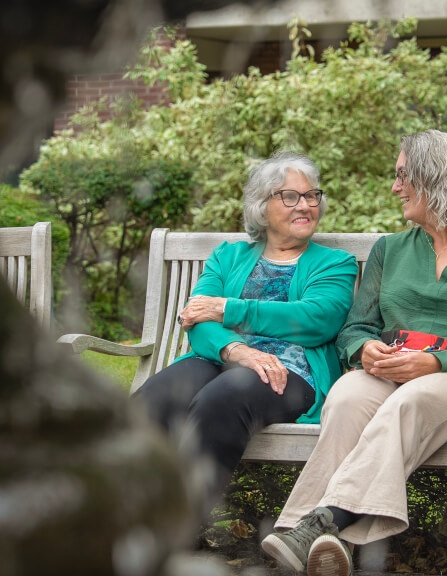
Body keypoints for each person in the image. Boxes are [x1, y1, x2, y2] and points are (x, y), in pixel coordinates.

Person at [261, 131, 447, 576]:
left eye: (403, 175)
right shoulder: (390, 249)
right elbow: (357, 327)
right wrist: (364, 349)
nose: (395, 186)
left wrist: (436, 362)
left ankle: (315, 524)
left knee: (412, 400)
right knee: (346, 396)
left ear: (435, 177)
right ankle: (316, 541)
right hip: (389, 373)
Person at [132, 151, 357, 509]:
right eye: (290, 196)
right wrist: (239, 351)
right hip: (221, 358)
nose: (305, 205)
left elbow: (316, 319)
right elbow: (197, 320)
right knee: (154, 398)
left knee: (220, 401)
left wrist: (227, 308)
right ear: (261, 206)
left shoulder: (335, 263)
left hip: (289, 371)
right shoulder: (227, 257)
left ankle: (180, 524)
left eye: (312, 195)